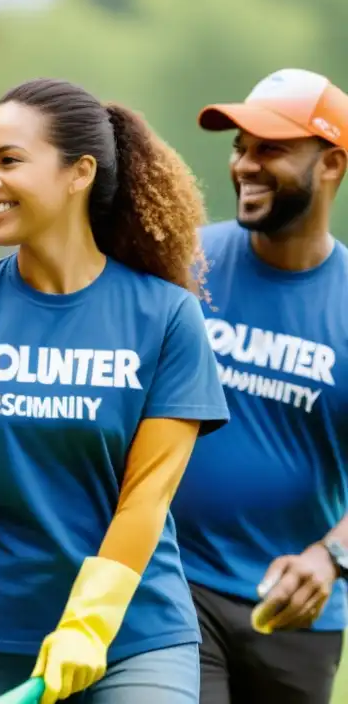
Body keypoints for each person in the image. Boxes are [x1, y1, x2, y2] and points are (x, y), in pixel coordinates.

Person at [0, 78, 231, 704]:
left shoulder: (167, 317)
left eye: (9, 161)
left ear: (79, 172)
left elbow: (147, 496)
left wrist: (88, 626)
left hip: (135, 636)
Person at [170, 68, 348, 704]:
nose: (245, 165)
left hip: (298, 612)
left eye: (270, 149)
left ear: (330, 165)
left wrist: (331, 557)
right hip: (174, 588)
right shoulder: (186, 267)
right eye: (240, 147)